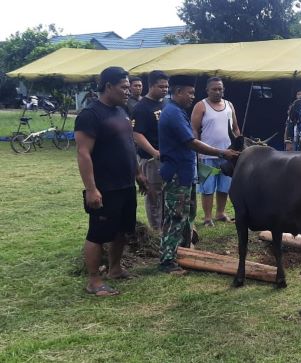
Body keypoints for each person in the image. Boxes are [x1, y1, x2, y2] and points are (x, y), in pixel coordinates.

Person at [74, 66, 148, 296]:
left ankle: (115, 269)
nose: (128, 91)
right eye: (124, 87)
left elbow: (128, 144)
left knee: (122, 231)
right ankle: (94, 281)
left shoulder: (122, 110)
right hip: (105, 187)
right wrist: (91, 189)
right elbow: (83, 154)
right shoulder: (90, 115)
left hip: (125, 184)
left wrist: (137, 174)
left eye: (129, 87)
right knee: (97, 234)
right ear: (108, 86)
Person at [158, 75, 239, 274]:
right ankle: (167, 261)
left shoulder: (178, 111)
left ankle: (184, 253)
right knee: (175, 217)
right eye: (189, 93)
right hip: (176, 173)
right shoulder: (173, 113)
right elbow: (192, 142)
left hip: (185, 172)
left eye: (193, 93)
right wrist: (222, 152)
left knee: (186, 216)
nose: (192, 97)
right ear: (177, 92)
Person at [191, 77, 241, 226]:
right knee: (207, 187)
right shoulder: (201, 106)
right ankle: (207, 217)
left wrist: (239, 144)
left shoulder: (229, 105)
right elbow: (194, 129)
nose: (218, 92)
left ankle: (220, 213)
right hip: (207, 154)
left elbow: (235, 128)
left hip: (228, 154)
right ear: (207, 90)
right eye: (214, 89)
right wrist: (198, 150)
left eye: (220, 89)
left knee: (224, 186)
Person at [132, 70, 170, 231]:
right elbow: (136, 134)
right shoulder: (141, 107)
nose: (165, 89)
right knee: (154, 195)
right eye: (161, 86)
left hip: (168, 157)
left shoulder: (166, 103)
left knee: (168, 194)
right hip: (151, 159)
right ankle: (156, 230)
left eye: (167, 86)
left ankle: (167, 227)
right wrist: (154, 152)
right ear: (151, 86)